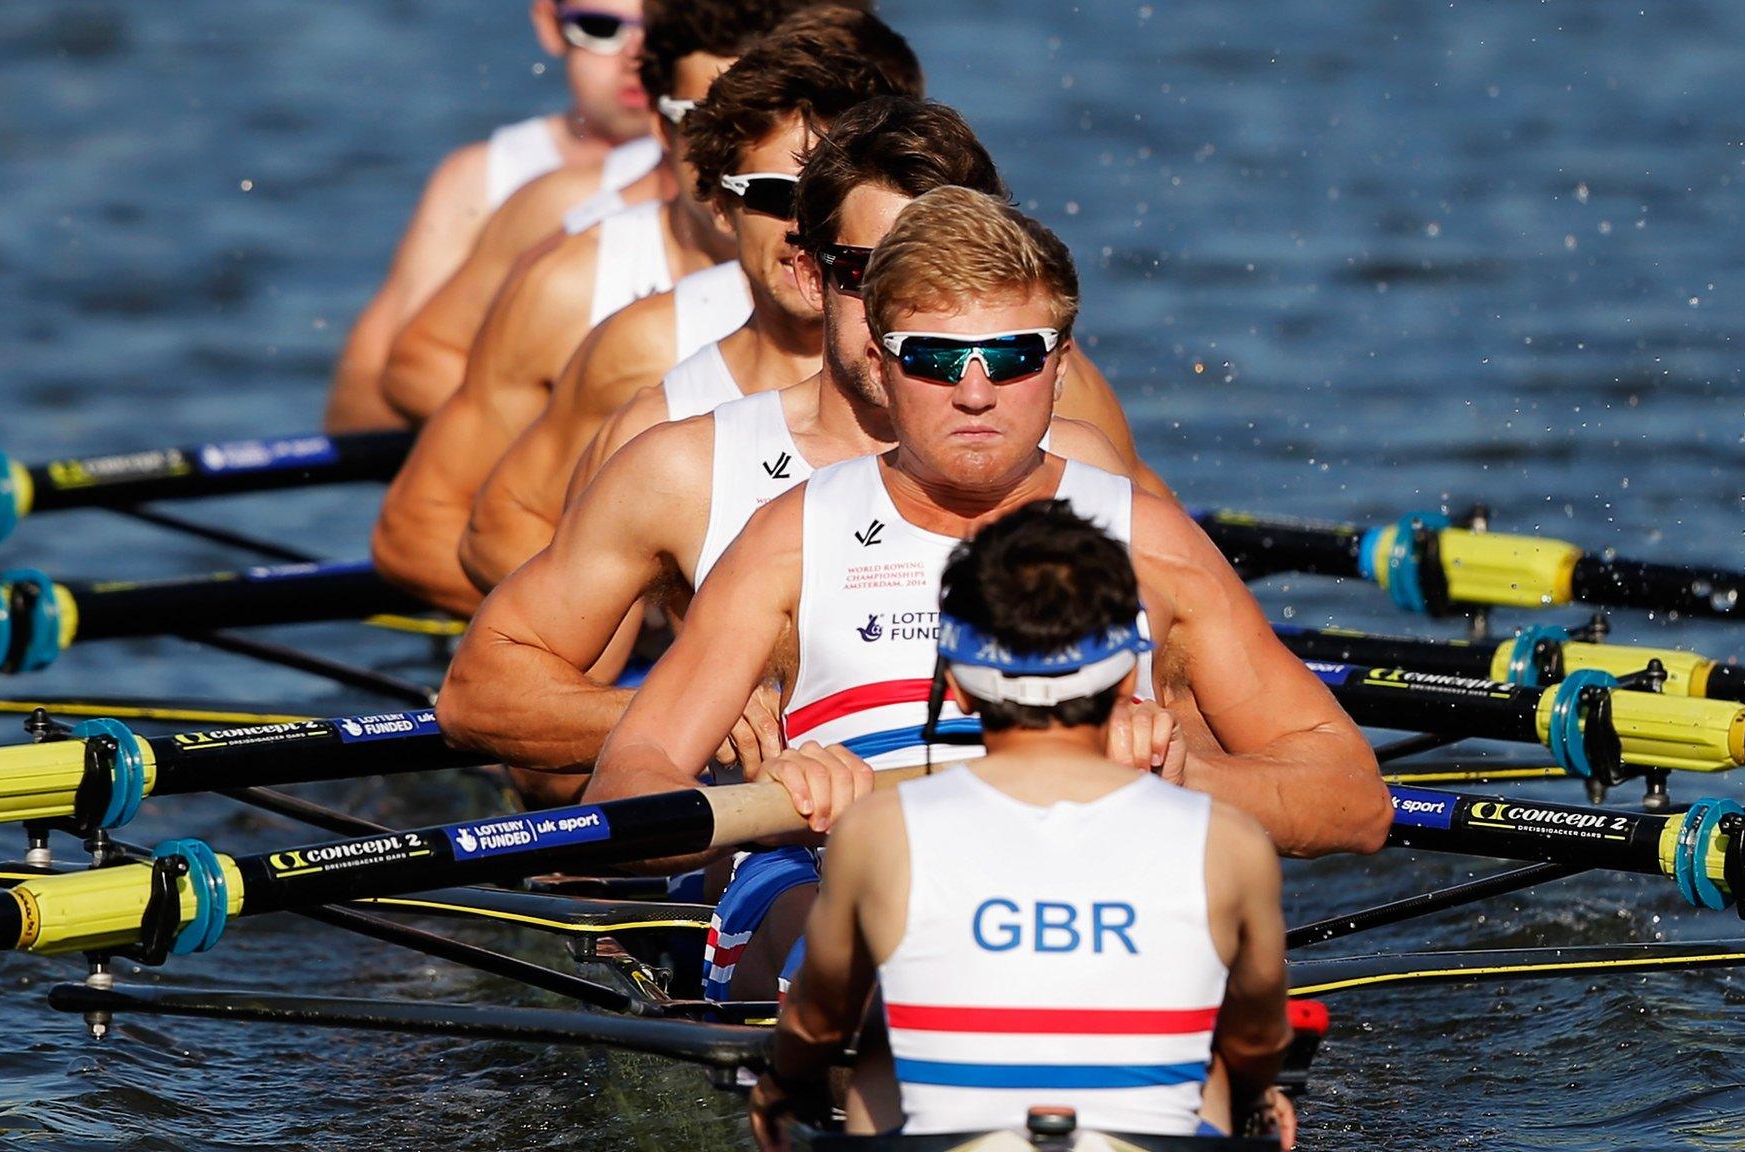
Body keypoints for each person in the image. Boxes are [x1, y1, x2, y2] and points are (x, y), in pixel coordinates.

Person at [584, 186, 1390, 999]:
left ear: (1062, 362)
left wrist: (1183, 778)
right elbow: (626, 784)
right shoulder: (790, 537)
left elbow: (1354, 800)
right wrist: (769, 797)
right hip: (825, 873)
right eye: (935, 358)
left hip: (1085, 884)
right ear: (882, 360)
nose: (975, 393)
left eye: (1013, 356)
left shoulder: (1151, 540)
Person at [436, 99, 1134, 805]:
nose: (909, 310)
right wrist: (692, 720)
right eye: (874, 274)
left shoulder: (1079, 454)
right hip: (780, 869)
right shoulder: (687, 468)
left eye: (947, 280)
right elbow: (479, 693)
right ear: (809, 271)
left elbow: (1208, 704)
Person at [749, 501, 1296, 1148]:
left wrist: (779, 1086)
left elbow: (818, 1023)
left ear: (953, 683)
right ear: (1127, 681)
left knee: (877, 1047)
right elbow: (1260, 1034)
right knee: (1215, 1059)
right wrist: (1259, 1091)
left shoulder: (877, 829)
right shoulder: (1228, 839)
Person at [371, 2, 898, 615]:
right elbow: (430, 522)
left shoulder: (968, 319)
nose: (801, 222)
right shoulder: (588, 284)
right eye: (701, 117)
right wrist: (622, 610)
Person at [324, 0, 658, 432]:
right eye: (600, 27)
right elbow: (367, 399)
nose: (637, 54)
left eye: (665, 28)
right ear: (549, 25)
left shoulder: (744, 167)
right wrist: (557, 449)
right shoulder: (482, 177)